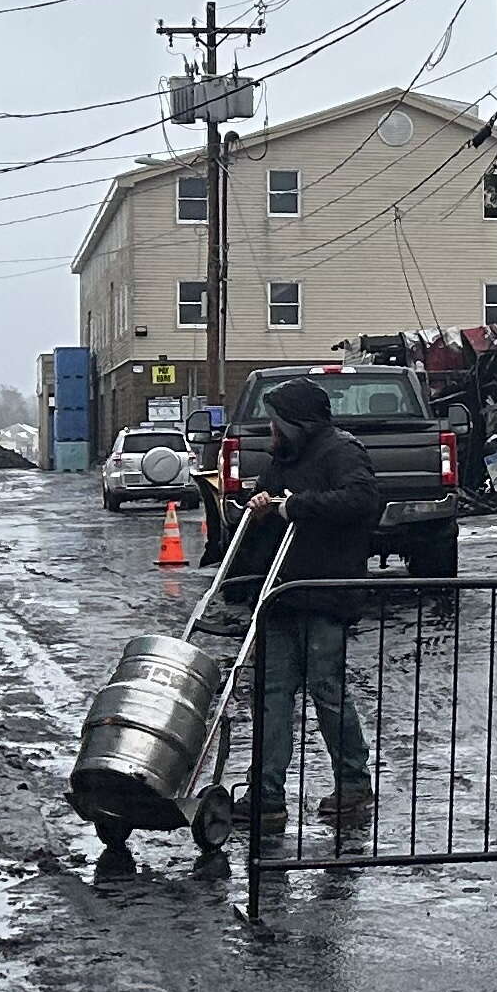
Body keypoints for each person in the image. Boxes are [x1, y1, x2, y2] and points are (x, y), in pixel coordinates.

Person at [190, 375, 381, 878]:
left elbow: (362, 503)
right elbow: (268, 500)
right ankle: (266, 793)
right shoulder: (284, 459)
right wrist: (258, 508)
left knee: (327, 689)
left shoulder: (342, 452)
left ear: (298, 422)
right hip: (279, 593)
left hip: (324, 591)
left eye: (276, 421)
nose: (270, 430)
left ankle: (354, 784)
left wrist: (296, 505)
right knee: (272, 693)